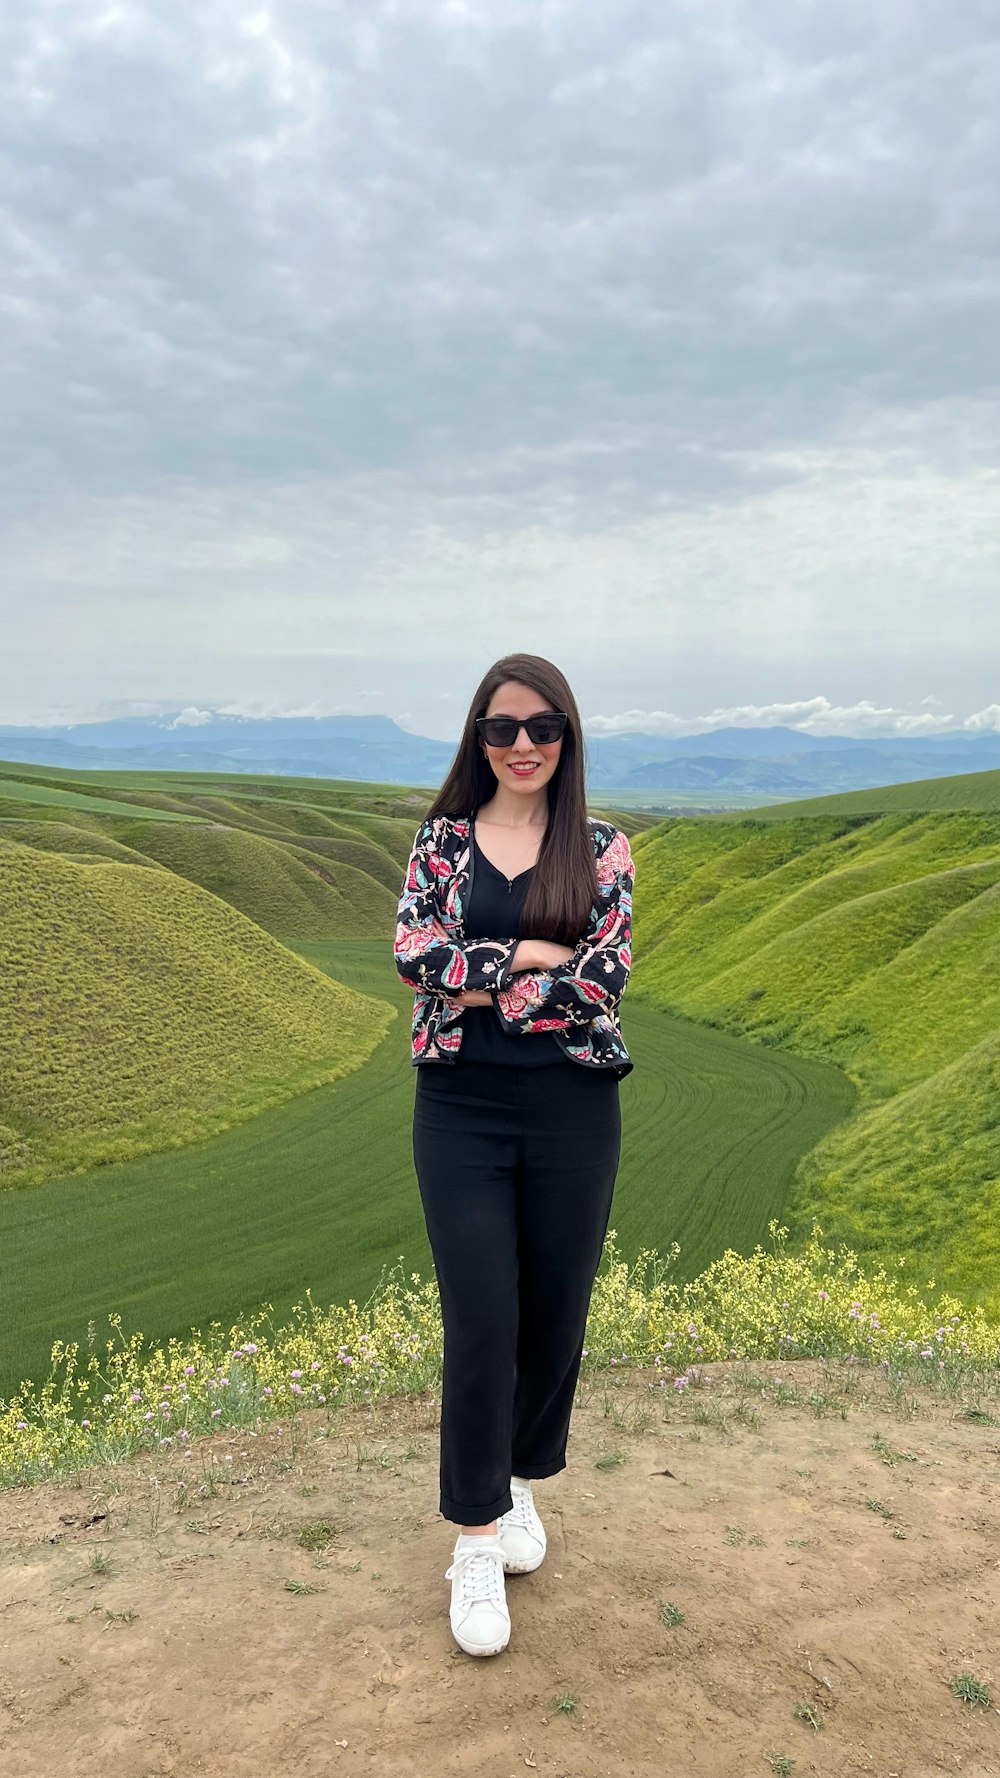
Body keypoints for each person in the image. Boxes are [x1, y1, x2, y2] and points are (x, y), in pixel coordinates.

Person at [393, 651, 635, 1657]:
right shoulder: (441, 840)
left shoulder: (604, 848)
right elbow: (414, 954)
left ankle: (521, 1482)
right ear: (477, 737)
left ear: (567, 737)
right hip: (461, 1107)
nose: (523, 744)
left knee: (555, 1310)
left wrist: (483, 976)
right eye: (503, 728)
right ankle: (475, 1538)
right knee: (483, 1316)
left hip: (573, 1109)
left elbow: (604, 981)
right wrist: (535, 955)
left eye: (543, 728)